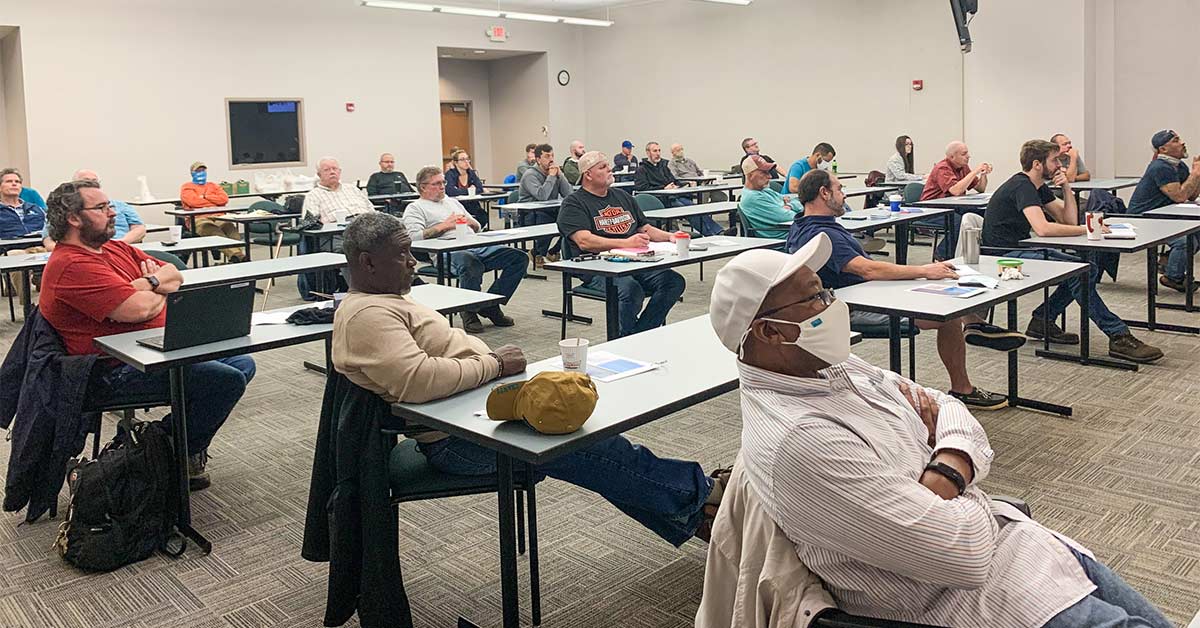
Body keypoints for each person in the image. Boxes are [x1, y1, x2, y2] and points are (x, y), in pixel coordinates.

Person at [708, 235, 1173, 628]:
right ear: (770, 332)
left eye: (826, 291)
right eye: (815, 298)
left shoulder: (832, 366)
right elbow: (962, 555)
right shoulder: (799, 440)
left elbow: (950, 406)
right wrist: (958, 471)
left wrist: (941, 474)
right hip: (984, 603)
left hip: (1033, 548)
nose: (832, 304)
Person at [332, 211, 728, 546]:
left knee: (592, 445)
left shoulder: (386, 301)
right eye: (403, 256)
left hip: (474, 413)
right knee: (588, 446)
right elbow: (417, 380)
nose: (414, 263)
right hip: (456, 441)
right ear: (367, 263)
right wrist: (494, 365)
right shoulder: (367, 315)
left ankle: (698, 516)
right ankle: (706, 496)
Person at [39, 179, 255, 491]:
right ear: (73, 218)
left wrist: (148, 282)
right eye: (101, 207)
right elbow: (137, 309)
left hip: (156, 349)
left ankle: (159, 448)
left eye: (110, 205)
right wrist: (154, 287)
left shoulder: (113, 248)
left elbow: (174, 275)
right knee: (226, 380)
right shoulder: (70, 264)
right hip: (113, 370)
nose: (113, 212)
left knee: (243, 363)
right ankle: (165, 452)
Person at [788, 169, 1020, 409]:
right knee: (945, 313)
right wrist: (924, 270)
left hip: (870, 292)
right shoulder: (821, 233)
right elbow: (867, 270)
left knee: (940, 285)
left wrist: (924, 272)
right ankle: (964, 382)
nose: (844, 195)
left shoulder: (807, 223)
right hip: (857, 306)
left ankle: (973, 325)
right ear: (824, 193)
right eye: (839, 189)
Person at [982, 139, 1162, 363]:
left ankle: (1043, 320)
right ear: (1037, 164)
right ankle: (1118, 335)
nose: (1059, 164)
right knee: (1080, 271)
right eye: (1054, 160)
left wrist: (1066, 187)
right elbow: (1043, 229)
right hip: (1003, 257)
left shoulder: (1038, 187)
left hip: (1019, 248)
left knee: (1088, 268)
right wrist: (1088, 229)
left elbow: (1067, 218)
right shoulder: (1023, 186)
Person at [558, 151, 686, 337]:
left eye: (608, 165)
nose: (610, 169)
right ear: (588, 175)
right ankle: (624, 339)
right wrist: (626, 242)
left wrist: (671, 237)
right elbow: (584, 241)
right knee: (630, 290)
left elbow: (644, 228)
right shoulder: (573, 204)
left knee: (673, 282)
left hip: (633, 260)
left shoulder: (622, 196)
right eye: (602, 167)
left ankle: (638, 335)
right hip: (596, 266)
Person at [403, 166, 525, 333]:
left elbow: (477, 227)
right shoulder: (415, 208)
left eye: (443, 182)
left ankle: (490, 304)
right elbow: (413, 238)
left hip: (474, 244)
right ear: (423, 187)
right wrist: (444, 226)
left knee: (518, 257)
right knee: (470, 262)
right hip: (446, 252)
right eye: (437, 183)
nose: (442, 186)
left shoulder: (452, 202)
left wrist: (471, 223)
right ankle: (469, 311)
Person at [1127, 129, 1200, 293]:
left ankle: (1169, 261)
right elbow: (1180, 196)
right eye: (1175, 140)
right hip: (1142, 219)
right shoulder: (1160, 167)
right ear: (1163, 149)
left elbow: (1192, 194)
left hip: (1163, 216)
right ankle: (1173, 277)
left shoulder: (1179, 166)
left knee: (1197, 234)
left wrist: (1197, 175)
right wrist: (1195, 173)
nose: (1182, 142)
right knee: (1184, 242)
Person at [920, 141, 993, 260]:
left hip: (953, 206)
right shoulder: (942, 168)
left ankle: (983, 250)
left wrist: (983, 175)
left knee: (986, 213)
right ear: (952, 157)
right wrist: (976, 171)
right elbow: (956, 190)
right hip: (932, 209)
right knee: (958, 222)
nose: (968, 156)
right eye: (964, 154)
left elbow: (980, 189)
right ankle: (942, 254)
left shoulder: (963, 167)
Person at [634, 141, 725, 237]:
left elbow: (673, 180)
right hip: (660, 199)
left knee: (695, 208)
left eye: (659, 151)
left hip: (672, 196)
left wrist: (677, 185)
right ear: (648, 153)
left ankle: (719, 231)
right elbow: (642, 188)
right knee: (687, 210)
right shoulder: (642, 170)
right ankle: (711, 234)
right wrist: (664, 188)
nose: (658, 154)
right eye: (655, 151)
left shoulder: (663, 166)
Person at [42, 170, 145, 250]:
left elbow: (139, 228)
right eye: (100, 208)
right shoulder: (65, 209)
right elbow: (49, 242)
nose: (112, 213)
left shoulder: (121, 205)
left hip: (123, 246)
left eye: (94, 182)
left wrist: (121, 243)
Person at [179, 161, 244, 262]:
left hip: (218, 216)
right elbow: (193, 202)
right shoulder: (187, 187)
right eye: (198, 171)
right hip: (198, 218)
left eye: (203, 170)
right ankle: (237, 256)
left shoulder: (213, 185)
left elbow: (224, 199)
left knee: (229, 227)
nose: (201, 172)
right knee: (211, 229)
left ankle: (237, 256)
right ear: (192, 173)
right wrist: (214, 201)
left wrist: (205, 196)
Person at [518, 143, 572, 266]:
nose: (551, 159)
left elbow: (569, 194)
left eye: (552, 156)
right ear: (538, 159)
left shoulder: (554, 172)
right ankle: (537, 252)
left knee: (571, 219)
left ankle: (553, 251)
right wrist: (552, 177)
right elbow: (542, 196)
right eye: (547, 156)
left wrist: (560, 175)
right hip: (530, 213)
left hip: (549, 209)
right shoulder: (530, 175)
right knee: (546, 217)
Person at [737, 155, 796, 239]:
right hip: (785, 241)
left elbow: (795, 200)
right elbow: (793, 217)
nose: (770, 176)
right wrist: (786, 206)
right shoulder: (753, 198)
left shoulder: (764, 190)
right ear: (750, 175)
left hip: (793, 234)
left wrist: (790, 205)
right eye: (764, 173)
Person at [304, 157, 376, 225]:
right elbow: (311, 222)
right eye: (327, 170)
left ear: (339, 172)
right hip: (337, 230)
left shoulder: (352, 188)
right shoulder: (313, 195)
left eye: (334, 169)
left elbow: (370, 208)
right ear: (319, 175)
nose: (332, 172)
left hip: (366, 224)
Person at [0, 168, 47, 239]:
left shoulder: (37, 209)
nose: (14, 184)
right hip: (8, 247)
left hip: (39, 246)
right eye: (9, 181)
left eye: (17, 182)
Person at [445, 149, 488, 225]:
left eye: (467, 159)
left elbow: (480, 188)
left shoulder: (471, 173)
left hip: (472, 204)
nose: (466, 162)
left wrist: (459, 190)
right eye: (462, 159)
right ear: (456, 162)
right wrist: (469, 190)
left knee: (483, 216)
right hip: (457, 205)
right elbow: (451, 191)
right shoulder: (450, 174)